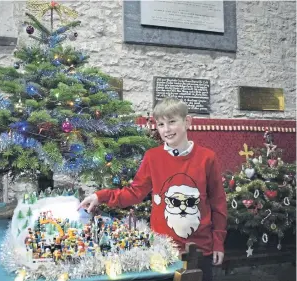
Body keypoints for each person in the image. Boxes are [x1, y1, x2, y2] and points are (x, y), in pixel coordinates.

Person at [78, 97, 227, 281]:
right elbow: (135, 192)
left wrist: (218, 242)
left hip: (199, 249)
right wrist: (100, 196)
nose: (167, 129)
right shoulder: (152, 157)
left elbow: (218, 203)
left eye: (172, 122)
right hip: (163, 251)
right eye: (161, 124)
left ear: (187, 122)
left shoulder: (207, 158)